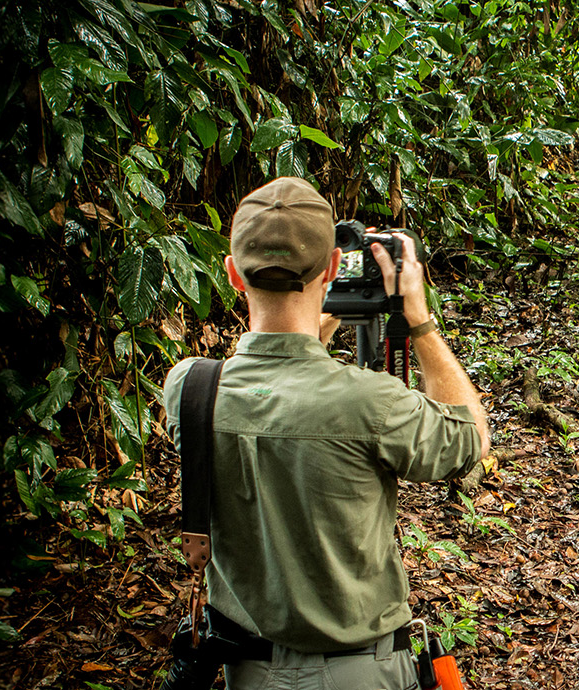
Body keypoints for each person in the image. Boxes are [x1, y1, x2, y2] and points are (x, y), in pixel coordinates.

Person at [160, 177, 491, 689]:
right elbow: (468, 440)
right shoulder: (369, 402)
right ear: (333, 267)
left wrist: (318, 324)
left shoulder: (189, 389)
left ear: (233, 275)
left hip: (243, 671)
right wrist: (419, 321)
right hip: (362, 673)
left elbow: (276, 397)